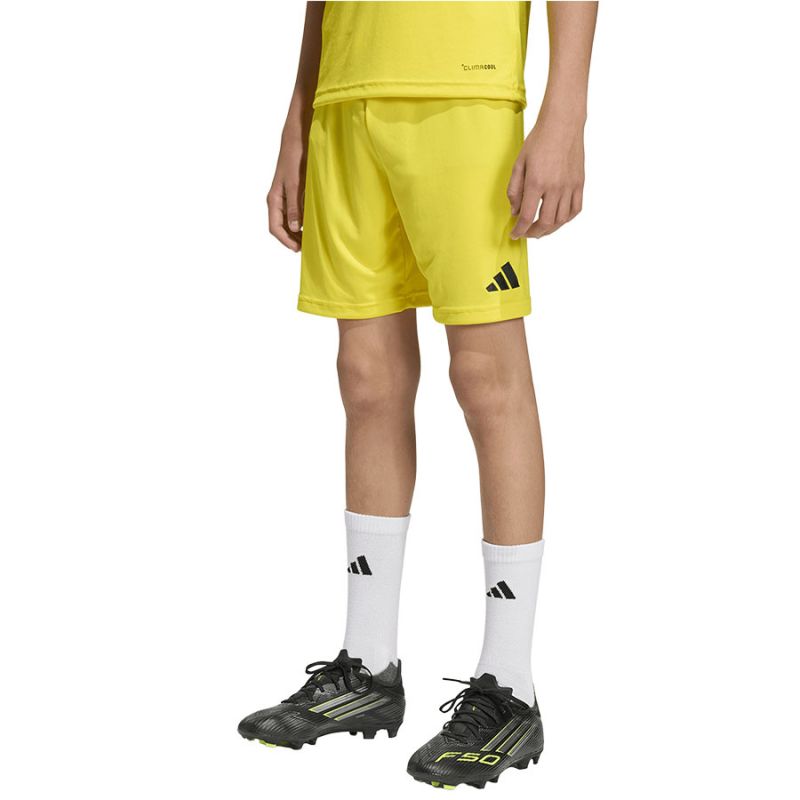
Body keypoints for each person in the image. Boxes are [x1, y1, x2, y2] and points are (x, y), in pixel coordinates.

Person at [238, 1, 597, 789]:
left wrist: (565, 112)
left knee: (485, 376)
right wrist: (299, 118)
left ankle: (509, 685)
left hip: (464, 91)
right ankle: (368, 665)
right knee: (366, 377)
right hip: (345, 97)